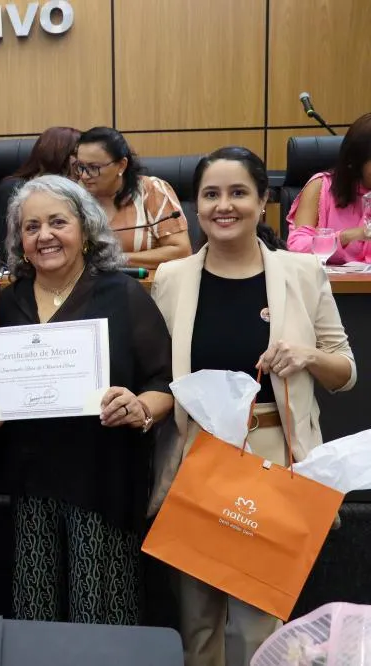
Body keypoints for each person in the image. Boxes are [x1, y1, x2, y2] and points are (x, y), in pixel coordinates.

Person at [150, 146, 356, 666]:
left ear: (263, 200)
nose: (225, 205)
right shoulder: (172, 279)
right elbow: (157, 375)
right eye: (211, 194)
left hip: (274, 459)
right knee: (197, 621)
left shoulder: (303, 273)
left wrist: (307, 355)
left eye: (239, 192)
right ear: (196, 206)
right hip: (198, 454)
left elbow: (345, 371)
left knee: (258, 622)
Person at [0, 175, 174, 625]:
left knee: (100, 611)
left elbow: (164, 384)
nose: (44, 236)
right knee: (35, 609)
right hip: (32, 482)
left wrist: (139, 408)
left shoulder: (122, 295)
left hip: (104, 478)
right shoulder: (7, 303)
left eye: (57, 222)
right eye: (31, 226)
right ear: (19, 241)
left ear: (85, 229)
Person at [74, 127, 192, 268]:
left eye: (94, 167)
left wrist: (119, 259)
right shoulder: (75, 196)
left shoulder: (150, 190)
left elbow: (181, 251)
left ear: (121, 166)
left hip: (145, 286)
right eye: (81, 166)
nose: (85, 175)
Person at [287, 112, 371, 263]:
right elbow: (296, 246)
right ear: (357, 160)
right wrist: (347, 236)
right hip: (331, 284)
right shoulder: (321, 186)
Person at [0, 126, 80, 249]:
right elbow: (3, 249)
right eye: (78, 155)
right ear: (59, 156)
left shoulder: (78, 189)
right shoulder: (12, 190)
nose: (83, 166)